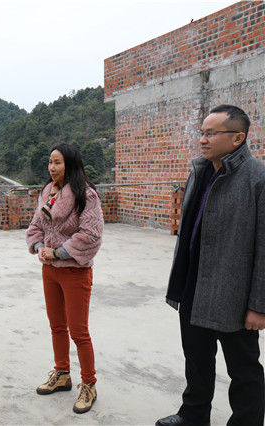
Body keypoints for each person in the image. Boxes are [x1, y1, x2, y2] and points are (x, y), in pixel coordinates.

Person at [156, 104, 265, 426]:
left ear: (237, 138)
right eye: (201, 133)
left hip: (234, 292)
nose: (202, 140)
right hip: (193, 283)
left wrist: (258, 305)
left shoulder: (257, 178)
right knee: (196, 358)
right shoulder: (200, 171)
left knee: (244, 369)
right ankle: (193, 415)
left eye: (211, 133)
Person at [25, 143, 104, 414]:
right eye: (50, 162)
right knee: (57, 326)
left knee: (78, 331)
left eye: (57, 162)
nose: (52, 167)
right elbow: (35, 225)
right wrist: (39, 247)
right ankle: (62, 374)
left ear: (70, 165)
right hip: (50, 270)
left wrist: (58, 252)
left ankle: (89, 384)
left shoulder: (86, 195)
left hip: (75, 271)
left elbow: (91, 235)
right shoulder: (48, 192)